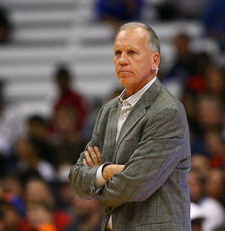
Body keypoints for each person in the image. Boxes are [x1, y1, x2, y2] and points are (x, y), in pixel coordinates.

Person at [68, 22, 191, 231]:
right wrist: (108, 172)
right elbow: (76, 178)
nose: (122, 60)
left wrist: (97, 181)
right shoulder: (108, 111)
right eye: (118, 53)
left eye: (132, 52)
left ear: (155, 60)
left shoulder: (167, 111)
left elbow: (135, 187)